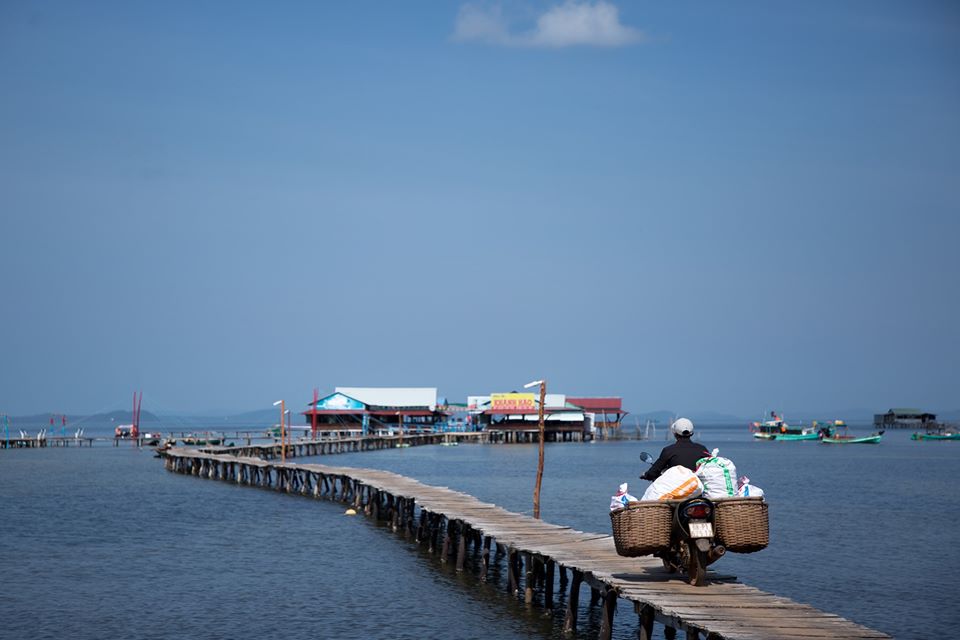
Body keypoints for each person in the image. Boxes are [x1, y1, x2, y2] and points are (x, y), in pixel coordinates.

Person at [640, 418, 710, 481]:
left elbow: (654, 471)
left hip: (676, 489)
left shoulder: (668, 451)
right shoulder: (702, 449)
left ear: (675, 434)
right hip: (697, 487)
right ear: (691, 433)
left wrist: (646, 475)